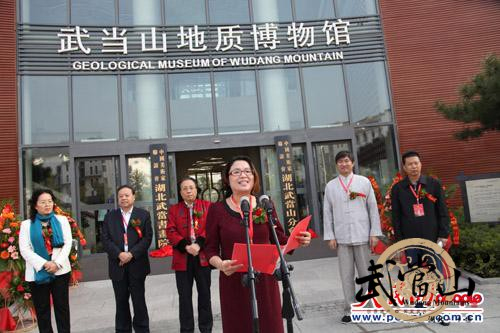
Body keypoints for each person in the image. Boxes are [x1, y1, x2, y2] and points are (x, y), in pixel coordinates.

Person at [205, 156, 311, 333]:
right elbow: (210, 249)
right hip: (234, 282)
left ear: (254, 177)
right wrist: (221, 265)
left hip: (266, 282)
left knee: (270, 326)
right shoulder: (217, 210)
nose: (243, 175)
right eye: (236, 172)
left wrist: (299, 240)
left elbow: (280, 239)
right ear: (227, 178)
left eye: (247, 171)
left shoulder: (265, 203)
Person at [322, 151, 382, 323]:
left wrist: (374, 232)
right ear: (336, 165)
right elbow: (327, 212)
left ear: (353, 163)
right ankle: (350, 309)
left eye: (346, 161)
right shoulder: (331, 186)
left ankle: (370, 308)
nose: (344, 164)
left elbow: (373, 208)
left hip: (363, 235)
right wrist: (330, 236)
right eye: (340, 162)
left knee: (366, 274)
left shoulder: (363, 182)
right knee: (346, 275)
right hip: (342, 238)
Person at [19, 189, 73, 333]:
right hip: (37, 272)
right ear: (35, 206)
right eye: (43, 202)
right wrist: (44, 264)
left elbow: (68, 243)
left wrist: (57, 263)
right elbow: (24, 249)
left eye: (50, 201)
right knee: (42, 311)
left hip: (60, 271)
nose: (47, 204)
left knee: (62, 309)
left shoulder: (61, 220)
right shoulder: (26, 225)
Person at [102, 185, 153, 333]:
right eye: (120, 196)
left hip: (137, 264)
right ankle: (122, 329)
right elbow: (105, 239)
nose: (123, 198)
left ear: (133, 197)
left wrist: (131, 254)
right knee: (121, 301)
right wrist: (119, 254)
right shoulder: (110, 216)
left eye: (126, 195)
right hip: (117, 265)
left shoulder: (143, 215)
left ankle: (142, 329)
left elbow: (147, 238)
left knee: (139, 301)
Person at [167, 177, 213, 333]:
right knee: (184, 297)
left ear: (196, 189)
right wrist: (186, 246)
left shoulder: (207, 206)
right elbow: (170, 231)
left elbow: (211, 228)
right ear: (180, 192)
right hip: (183, 258)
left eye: (191, 188)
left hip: (202, 257)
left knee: (205, 295)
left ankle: (206, 328)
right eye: (185, 188)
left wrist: (199, 244)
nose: (188, 191)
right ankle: (186, 329)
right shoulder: (174, 209)